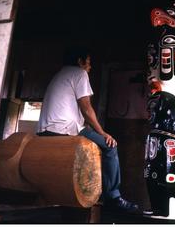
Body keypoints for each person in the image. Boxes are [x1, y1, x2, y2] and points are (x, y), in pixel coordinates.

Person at [37, 47, 139, 213]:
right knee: (110, 146)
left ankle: (99, 192)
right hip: (64, 128)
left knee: (94, 140)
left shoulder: (59, 75)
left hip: (44, 130)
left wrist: (92, 129)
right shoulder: (79, 73)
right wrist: (103, 133)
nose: (90, 67)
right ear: (80, 61)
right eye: (89, 62)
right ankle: (114, 197)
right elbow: (86, 108)